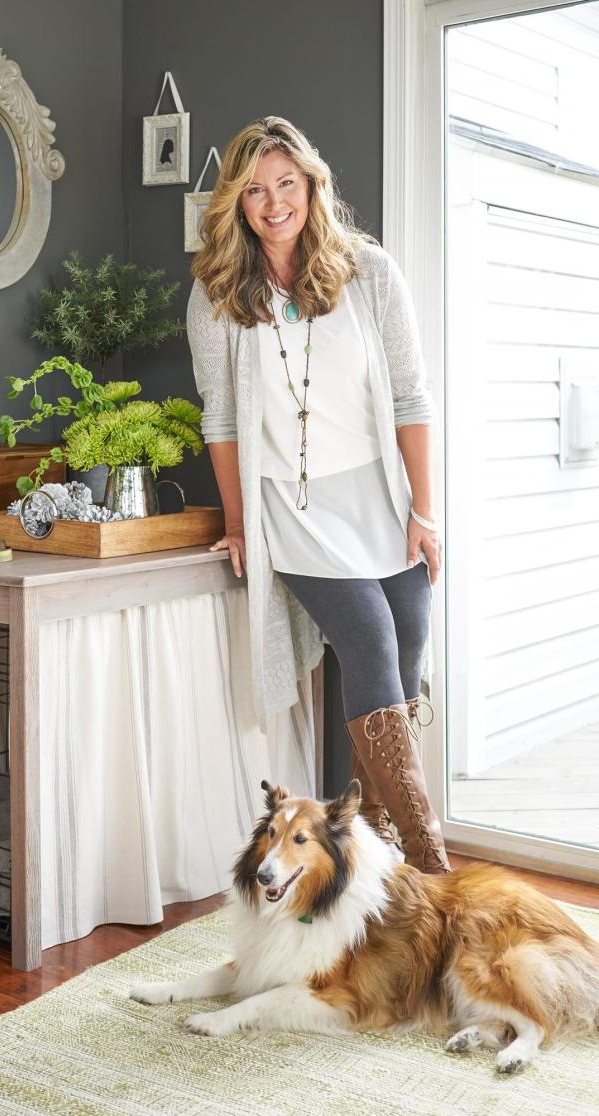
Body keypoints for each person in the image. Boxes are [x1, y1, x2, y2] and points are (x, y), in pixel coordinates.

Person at [187, 116, 450, 874]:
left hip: (379, 493)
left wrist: (424, 510)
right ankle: (433, 867)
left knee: (405, 648)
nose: (273, 204)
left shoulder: (368, 272)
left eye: (287, 185)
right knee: (367, 638)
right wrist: (240, 520)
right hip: (291, 507)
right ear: (236, 202)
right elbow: (223, 418)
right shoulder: (217, 297)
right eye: (255, 191)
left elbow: (410, 396)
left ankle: (371, 856)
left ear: (311, 185)